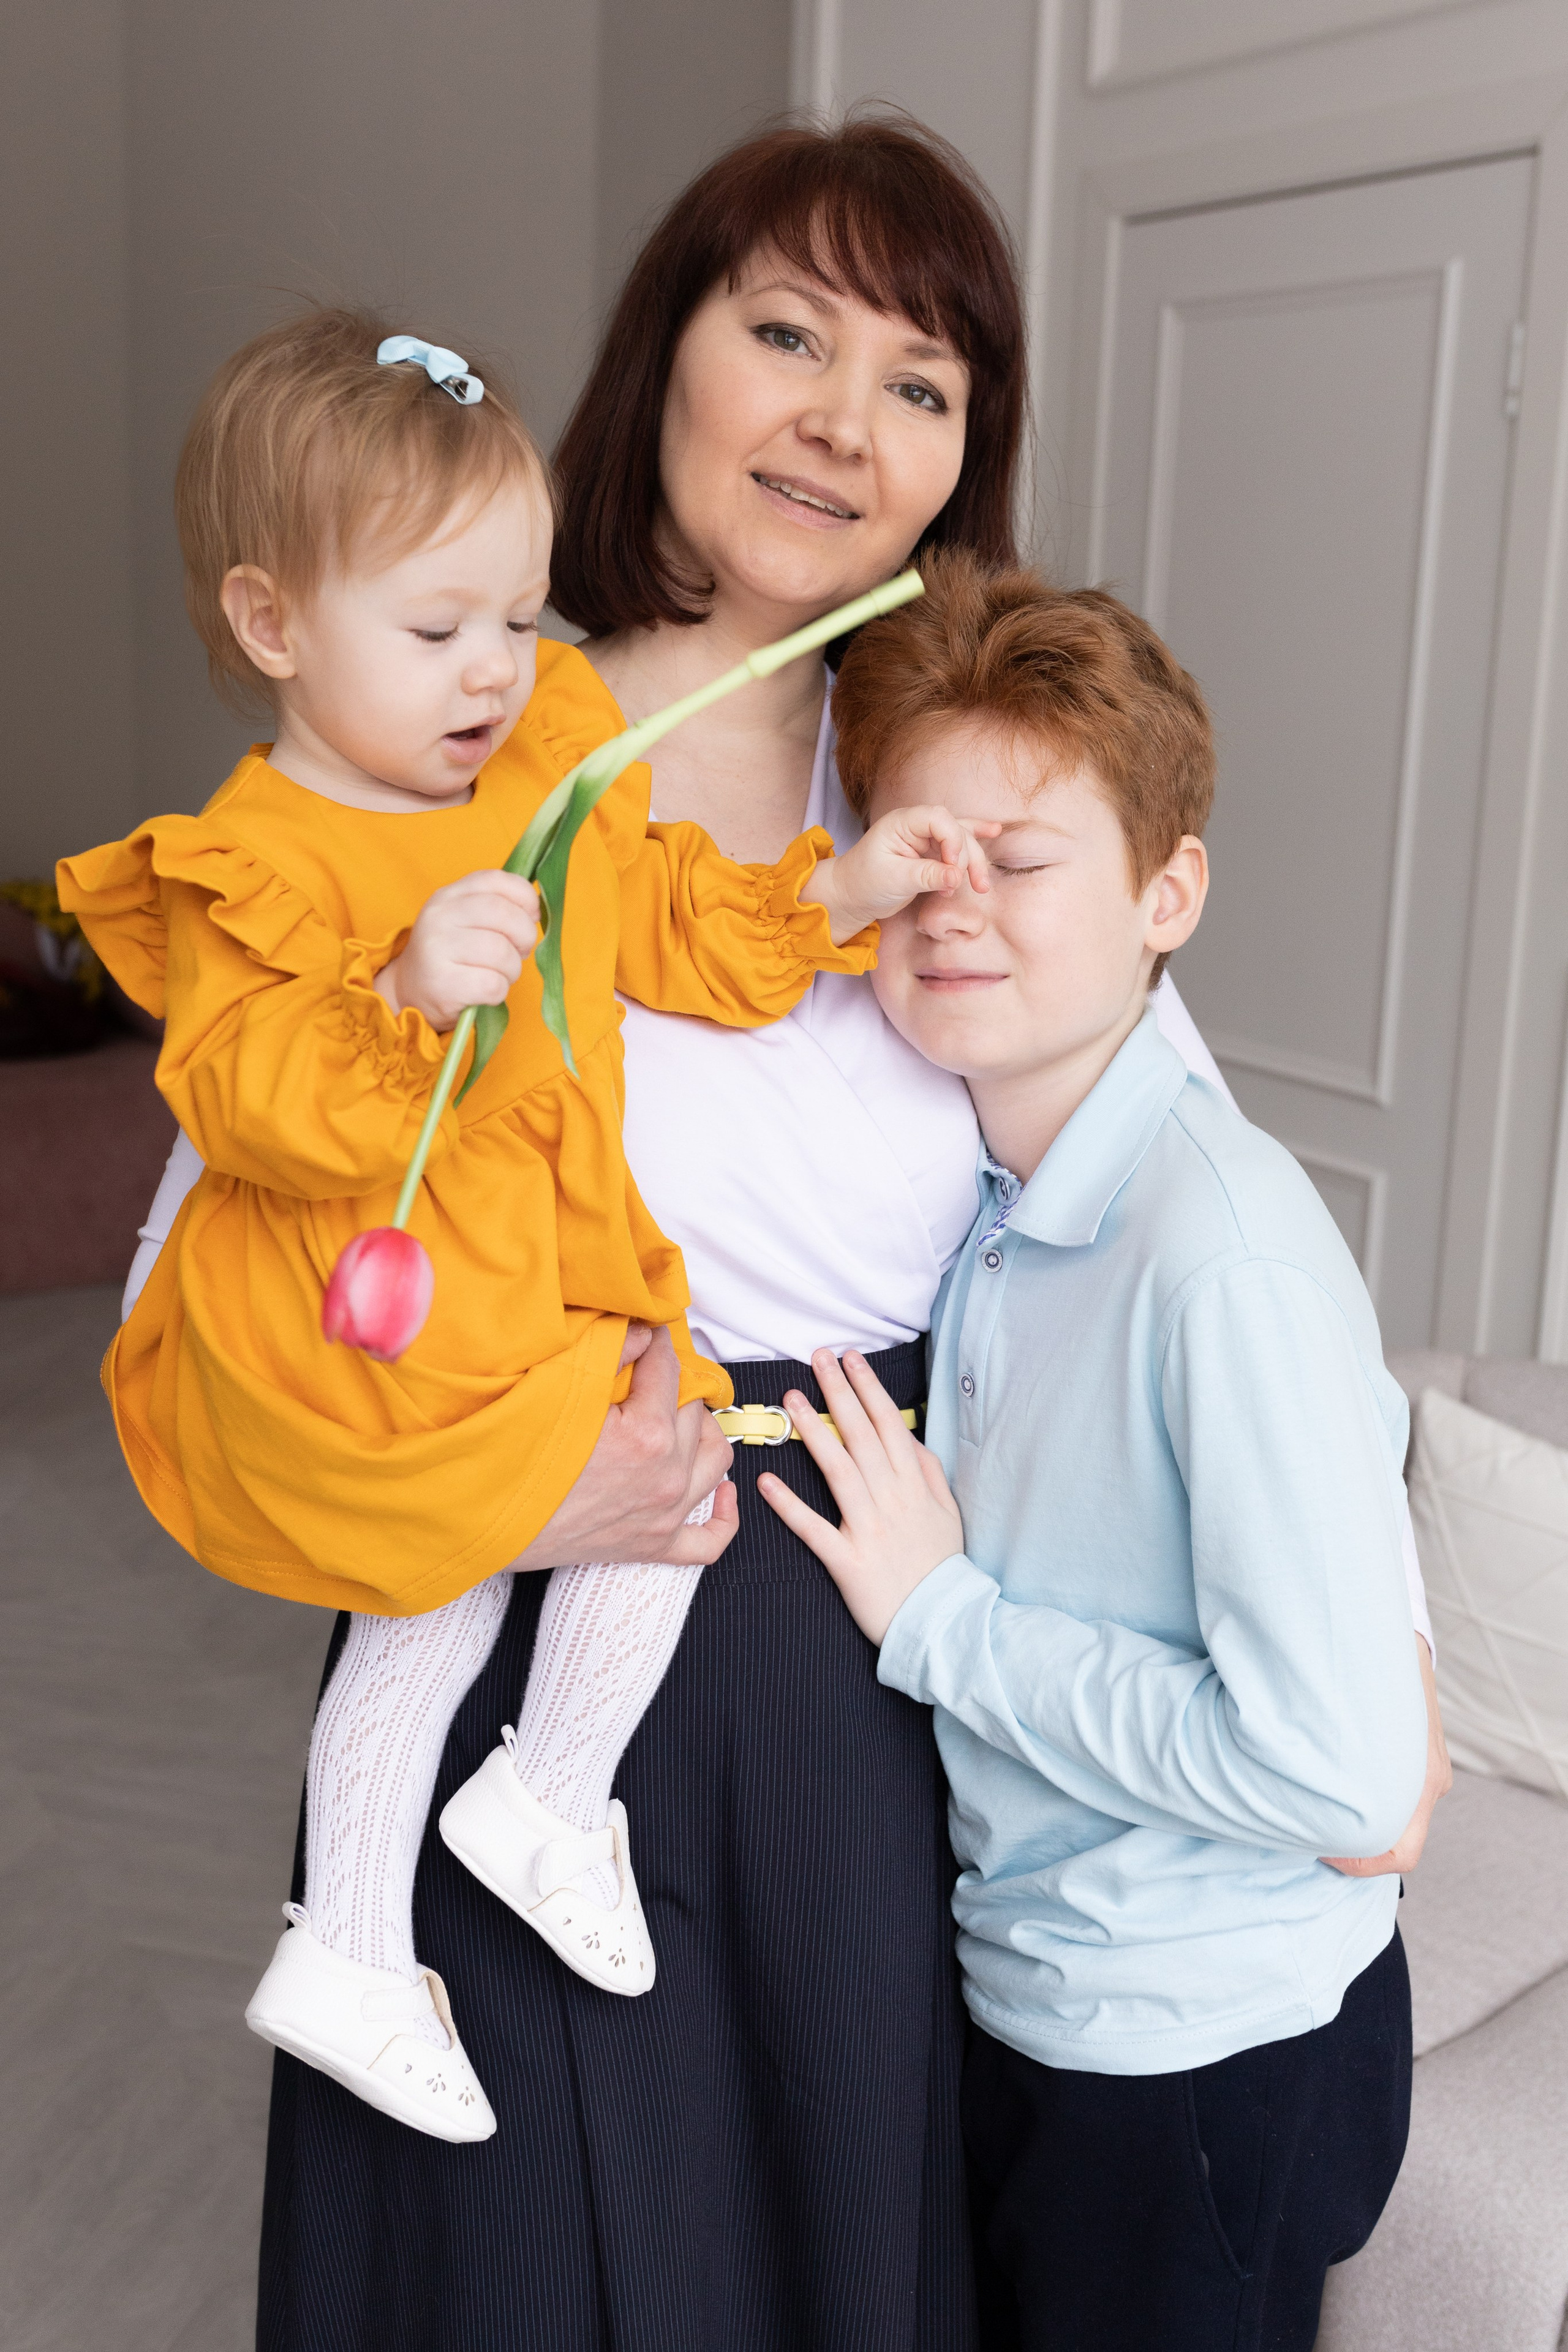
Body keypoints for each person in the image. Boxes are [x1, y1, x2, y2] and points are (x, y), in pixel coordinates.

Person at [233, 112, 1438, 2352]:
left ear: (962, 456)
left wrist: (1381, 1632)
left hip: (847, 1612)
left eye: (919, 381)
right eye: (783, 329)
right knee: (494, 2242)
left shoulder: (944, 774)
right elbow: (243, 1247)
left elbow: (1172, 1214)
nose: (837, 420)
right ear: (661, 358)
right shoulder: (454, 732)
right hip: (509, 1554)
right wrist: (470, 1474)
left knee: (807, 2236)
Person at [59, 304, 984, 2144]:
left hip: (544, 1290)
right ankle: (351, 1933)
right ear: (272, 628)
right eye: (434, 631)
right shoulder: (265, 862)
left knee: (673, 1508)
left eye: (514, 613)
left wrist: (840, 893)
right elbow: (245, 1094)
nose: (494, 669)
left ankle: (550, 1798)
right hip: (386, 1336)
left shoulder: (545, 777)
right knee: (424, 1623)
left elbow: (683, 929)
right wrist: (400, 990)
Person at [763, 550, 1436, 2352]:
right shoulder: (990, 1182)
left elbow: (1350, 1779)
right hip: (1057, 2000)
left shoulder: (1210, 1244)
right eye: (918, 852)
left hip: (1200, 2049)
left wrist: (945, 1623)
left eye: (1025, 857)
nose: (954, 903)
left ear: (1169, 892)